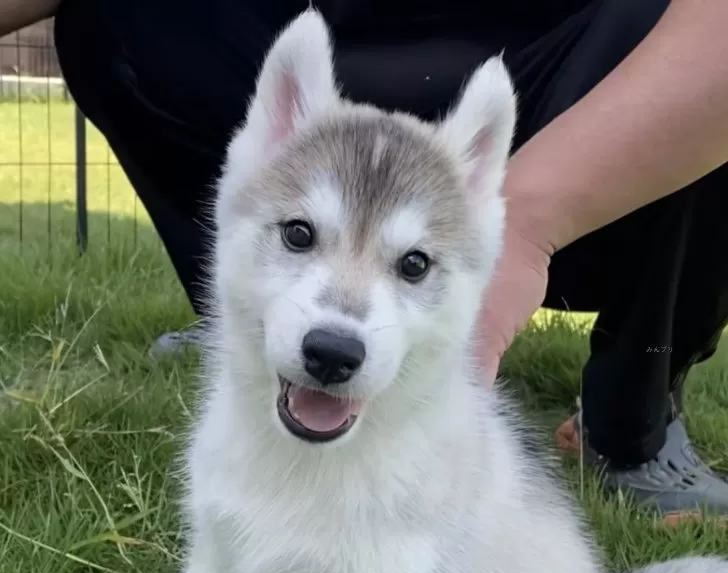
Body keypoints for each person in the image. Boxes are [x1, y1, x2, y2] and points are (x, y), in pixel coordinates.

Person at [4, 0, 728, 519]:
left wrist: (526, 228)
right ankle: (253, 318)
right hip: (335, 46)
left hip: (578, 81)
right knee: (121, 14)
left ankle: (634, 415)